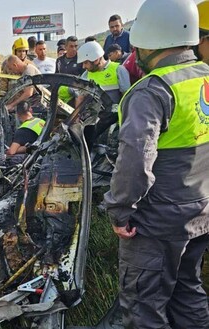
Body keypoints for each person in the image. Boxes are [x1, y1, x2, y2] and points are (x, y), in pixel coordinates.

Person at [103, 0, 209, 327]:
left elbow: (135, 162)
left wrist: (120, 210)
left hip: (158, 222)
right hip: (201, 211)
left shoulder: (151, 90)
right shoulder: (204, 76)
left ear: (151, 38)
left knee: (143, 307)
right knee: (188, 291)